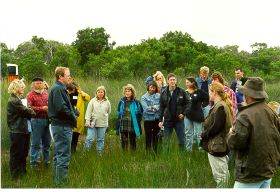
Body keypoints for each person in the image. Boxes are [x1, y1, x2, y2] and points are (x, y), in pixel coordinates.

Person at [227, 77, 280, 188]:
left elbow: (235, 144)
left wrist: (231, 133)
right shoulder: (271, 111)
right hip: (268, 170)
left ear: (248, 95)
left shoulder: (245, 115)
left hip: (250, 173)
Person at [200, 82, 234, 188]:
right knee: (223, 174)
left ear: (214, 92)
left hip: (217, 145)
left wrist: (204, 135)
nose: (209, 94)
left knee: (220, 176)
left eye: (210, 91)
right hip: (218, 144)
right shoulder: (221, 105)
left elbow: (216, 127)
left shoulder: (220, 107)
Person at [48, 67, 77, 187]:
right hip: (62, 126)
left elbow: (64, 106)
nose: (69, 77)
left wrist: (74, 111)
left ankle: (58, 183)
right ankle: (61, 185)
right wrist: (73, 116)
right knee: (63, 157)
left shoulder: (59, 88)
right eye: (68, 75)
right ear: (60, 76)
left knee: (58, 156)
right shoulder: (58, 89)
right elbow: (61, 108)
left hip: (60, 126)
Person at [7, 79, 35, 179]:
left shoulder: (19, 99)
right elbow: (27, 111)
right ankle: (15, 176)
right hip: (17, 130)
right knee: (16, 153)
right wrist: (30, 109)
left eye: (23, 86)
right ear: (15, 88)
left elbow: (27, 110)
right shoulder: (13, 100)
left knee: (23, 152)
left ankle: (23, 172)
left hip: (23, 129)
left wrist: (29, 109)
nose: (23, 88)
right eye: (21, 87)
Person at [158, 73, 191, 150]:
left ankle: (183, 157)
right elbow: (161, 107)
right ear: (168, 81)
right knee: (166, 141)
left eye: (174, 80)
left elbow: (189, 103)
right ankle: (165, 158)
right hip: (167, 120)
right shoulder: (164, 93)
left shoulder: (181, 91)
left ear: (176, 81)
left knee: (182, 141)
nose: (172, 81)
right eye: (171, 80)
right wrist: (160, 120)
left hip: (179, 120)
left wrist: (184, 114)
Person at [27, 77, 51, 168]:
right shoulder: (30, 95)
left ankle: (46, 161)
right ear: (33, 84)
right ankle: (34, 162)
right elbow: (29, 108)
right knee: (36, 143)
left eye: (41, 83)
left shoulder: (46, 93)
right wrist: (42, 108)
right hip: (36, 120)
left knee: (47, 142)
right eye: (37, 83)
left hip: (47, 120)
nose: (39, 84)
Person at [184, 77, 209, 152]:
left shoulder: (199, 91)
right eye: (186, 82)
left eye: (188, 82)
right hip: (187, 116)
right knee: (188, 134)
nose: (186, 84)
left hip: (197, 115)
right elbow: (182, 103)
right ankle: (188, 151)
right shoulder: (184, 92)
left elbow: (207, 98)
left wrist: (202, 105)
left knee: (198, 134)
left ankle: (201, 151)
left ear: (193, 83)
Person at [84, 86, 111, 154]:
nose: (100, 93)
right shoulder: (92, 101)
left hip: (102, 124)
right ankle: (85, 153)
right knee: (89, 139)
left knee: (100, 139)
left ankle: (99, 154)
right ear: (96, 93)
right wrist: (88, 121)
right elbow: (88, 112)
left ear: (104, 93)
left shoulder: (107, 102)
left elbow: (109, 111)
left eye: (101, 92)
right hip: (92, 123)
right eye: (98, 92)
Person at [116, 84, 143, 151]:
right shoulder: (121, 102)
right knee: (124, 141)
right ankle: (125, 155)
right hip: (123, 124)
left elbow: (140, 113)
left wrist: (137, 122)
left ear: (132, 92)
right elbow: (119, 114)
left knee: (132, 141)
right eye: (126, 91)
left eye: (129, 91)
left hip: (132, 125)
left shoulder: (136, 102)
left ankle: (133, 156)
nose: (127, 93)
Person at [66, 80, 90, 152]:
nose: (73, 90)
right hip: (69, 118)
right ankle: (68, 151)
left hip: (78, 119)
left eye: (74, 88)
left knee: (75, 136)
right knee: (69, 136)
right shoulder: (66, 94)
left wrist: (82, 92)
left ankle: (73, 151)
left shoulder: (80, 94)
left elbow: (88, 98)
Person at [141, 81, 161, 152]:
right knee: (148, 136)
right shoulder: (144, 97)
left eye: (154, 87)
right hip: (148, 120)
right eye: (151, 87)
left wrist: (153, 107)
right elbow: (146, 109)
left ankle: (155, 151)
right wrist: (155, 108)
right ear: (148, 87)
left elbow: (160, 106)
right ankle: (148, 152)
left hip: (157, 119)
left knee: (156, 136)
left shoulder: (158, 96)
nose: (152, 89)